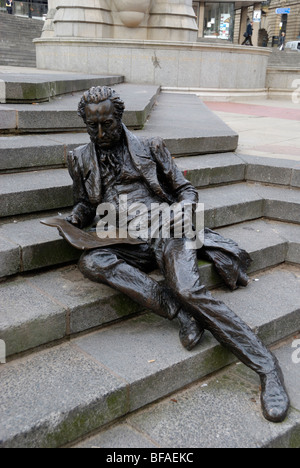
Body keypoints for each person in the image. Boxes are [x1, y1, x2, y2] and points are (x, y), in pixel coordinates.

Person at [65, 86, 290, 423]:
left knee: (188, 289)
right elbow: (85, 202)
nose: (100, 133)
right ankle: (179, 313)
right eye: (92, 127)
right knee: (92, 261)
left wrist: (179, 214)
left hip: (166, 229)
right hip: (121, 235)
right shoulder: (78, 158)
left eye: (107, 125)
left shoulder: (151, 147)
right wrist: (75, 218)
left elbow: (187, 192)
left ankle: (267, 368)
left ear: (120, 118)